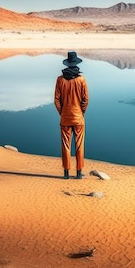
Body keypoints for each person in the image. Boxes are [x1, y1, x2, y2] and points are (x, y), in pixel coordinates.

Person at [54, 51, 89, 179]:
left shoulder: (60, 80)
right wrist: (81, 112)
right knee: (79, 145)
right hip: (79, 118)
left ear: (67, 64)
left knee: (65, 145)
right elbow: (85, 100)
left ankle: (66, 173)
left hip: (65, 118)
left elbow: (56, 100)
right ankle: (79, 173)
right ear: (76, 64)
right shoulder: (81, 80)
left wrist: (62, 113)